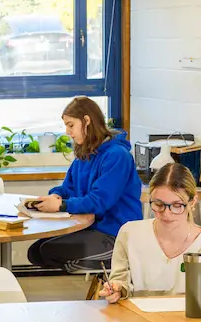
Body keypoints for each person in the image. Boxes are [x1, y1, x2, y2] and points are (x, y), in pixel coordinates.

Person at [26, 96, 143, 269]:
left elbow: (99, 201)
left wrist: (61, 206)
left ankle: (110, 269)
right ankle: (79, 272)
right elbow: (68, 188)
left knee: (48, 251)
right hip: (91, 228)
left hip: (115, 234)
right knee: (35, 251)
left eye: (71, 125)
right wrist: (55, 196)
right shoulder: (85, 154)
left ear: (87, 121)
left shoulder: (117, 156)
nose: (67, 131)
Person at [100, 163, 201, 302]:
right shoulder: (129, 233)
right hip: (137, 320)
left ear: (192, 202)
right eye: (158, 204)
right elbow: (121, 281)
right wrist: (118, 289)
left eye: (177, 206)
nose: (166, 213)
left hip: (187, 321)